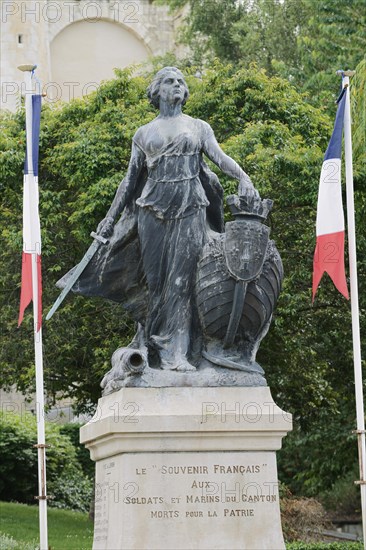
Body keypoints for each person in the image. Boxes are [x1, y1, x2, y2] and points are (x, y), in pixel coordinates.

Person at [60, 67, 259, 372]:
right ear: (157, 91)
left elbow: (220, 158)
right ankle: (152, 346)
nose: (177, 85)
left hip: (190, 208)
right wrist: (109, 219)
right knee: (156, 285)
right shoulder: (144, 133)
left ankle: (176, 354)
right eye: (170, 81)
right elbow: (128, 182)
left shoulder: (198, 127)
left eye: (181, 82)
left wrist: (243, 177)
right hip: (151, 213)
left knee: (181, 282)